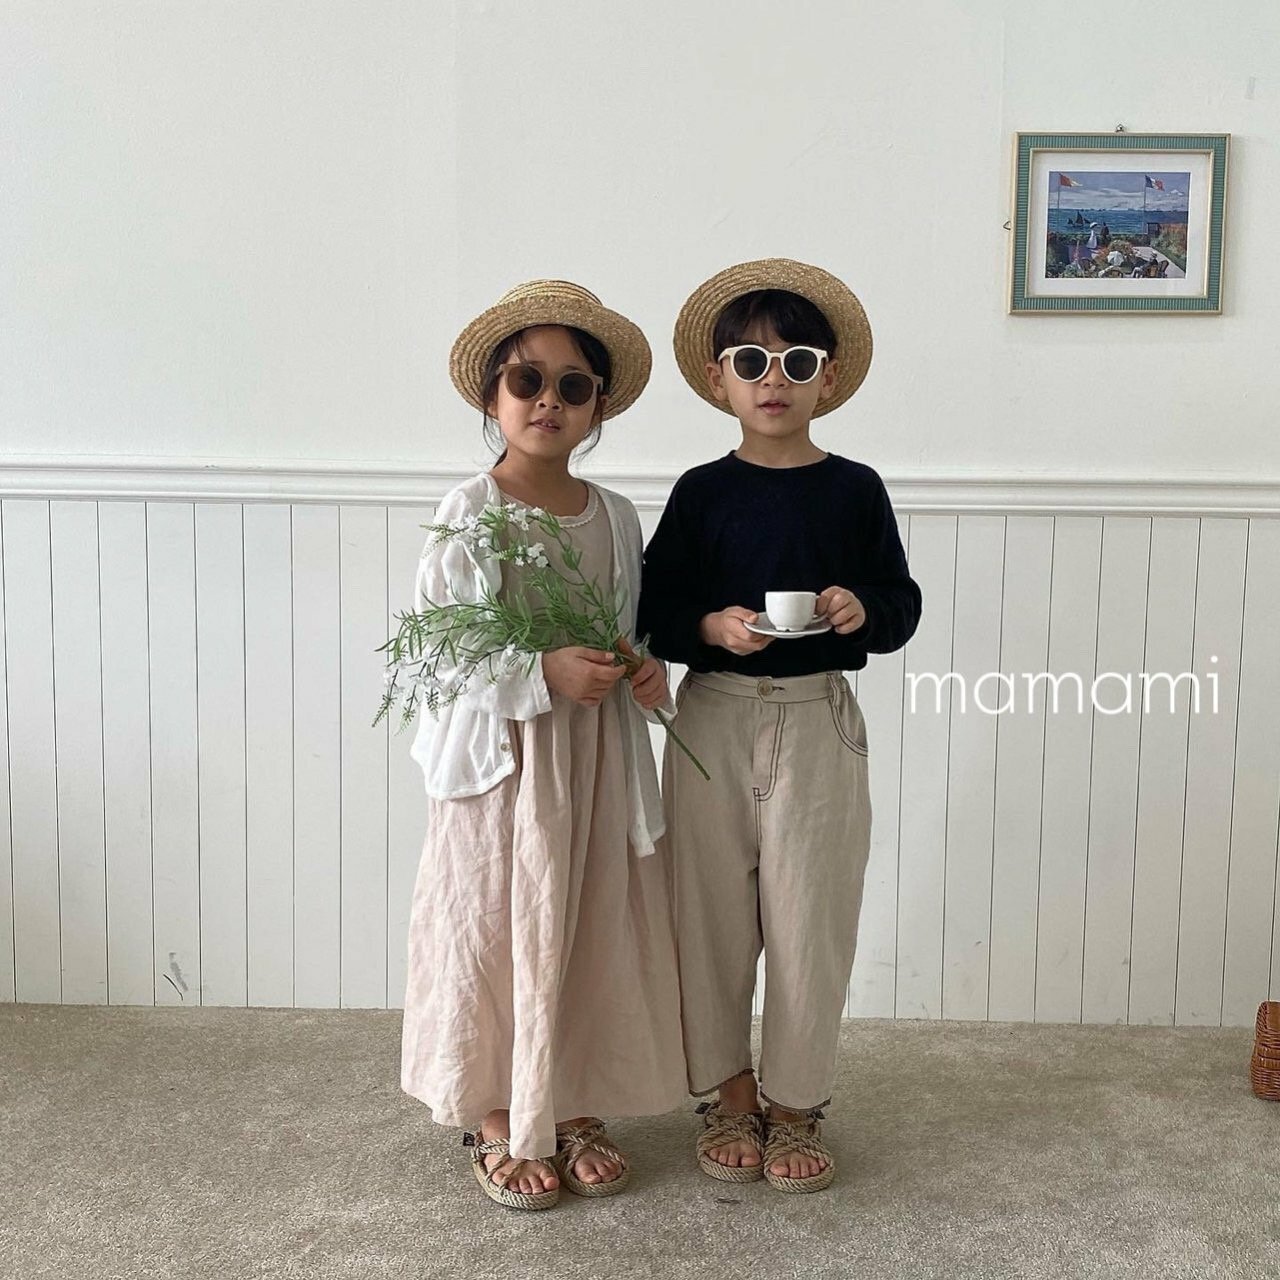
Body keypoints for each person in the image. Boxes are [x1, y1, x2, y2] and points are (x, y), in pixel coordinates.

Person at [400, 280, 686, 1211]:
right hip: (505, 763)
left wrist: (640, 671)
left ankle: (571, 1099)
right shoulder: (471, 509)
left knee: (587, 920)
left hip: (593, 760)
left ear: (599, 405)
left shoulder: (615, 516)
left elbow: (624, 630)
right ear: (493, 396)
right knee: (495, 922)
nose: (548, 401)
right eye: (527, 380)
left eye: (573, 385)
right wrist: (541, 671)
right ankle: (497, 1112)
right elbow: (446, 651)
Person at [638, 259, 922, 1193]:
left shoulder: (856, 489)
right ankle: (729, 1094)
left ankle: (796, 1103)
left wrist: (860, 610)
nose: (774, 379)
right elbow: (654, 611)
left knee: (811, 922)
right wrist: (708, 628)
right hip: (712, 719)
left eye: (797, 362)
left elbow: (900, 603)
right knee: (707, 919)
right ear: (717, 377)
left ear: (827, 378)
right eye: (751, 362)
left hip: (817, 724)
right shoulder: (700, 492)